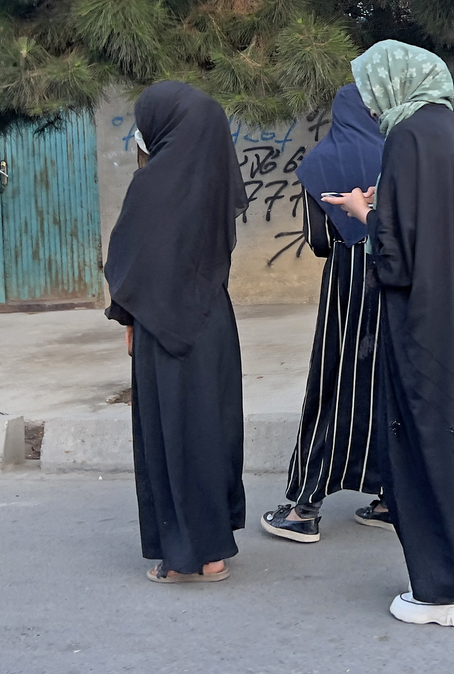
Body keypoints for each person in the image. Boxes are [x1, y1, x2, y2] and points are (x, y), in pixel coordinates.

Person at [324, 40, 454, 628]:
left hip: (420, 323)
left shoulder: (406, 139)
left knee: (422, 447)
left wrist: (363, 213)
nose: (372, 105)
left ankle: (441, 593)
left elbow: (396, 257)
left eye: (373, 91)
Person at [104, 81, 247, 583]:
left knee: (174, 436)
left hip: (163, 327)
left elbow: (131, 261)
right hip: (212, 323)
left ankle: (184, 556)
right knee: (211, 431)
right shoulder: (215, 181)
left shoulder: (152, 185)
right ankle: (213, 552)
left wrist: (125, 317)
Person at [262, 84, 389, 543]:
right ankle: (389, 498)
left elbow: (317, 239)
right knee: (385, 381)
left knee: (334, 381)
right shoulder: (395, 152)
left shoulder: (320, 161)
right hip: (394, 275)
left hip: (347, 281)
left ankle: (305, 509)